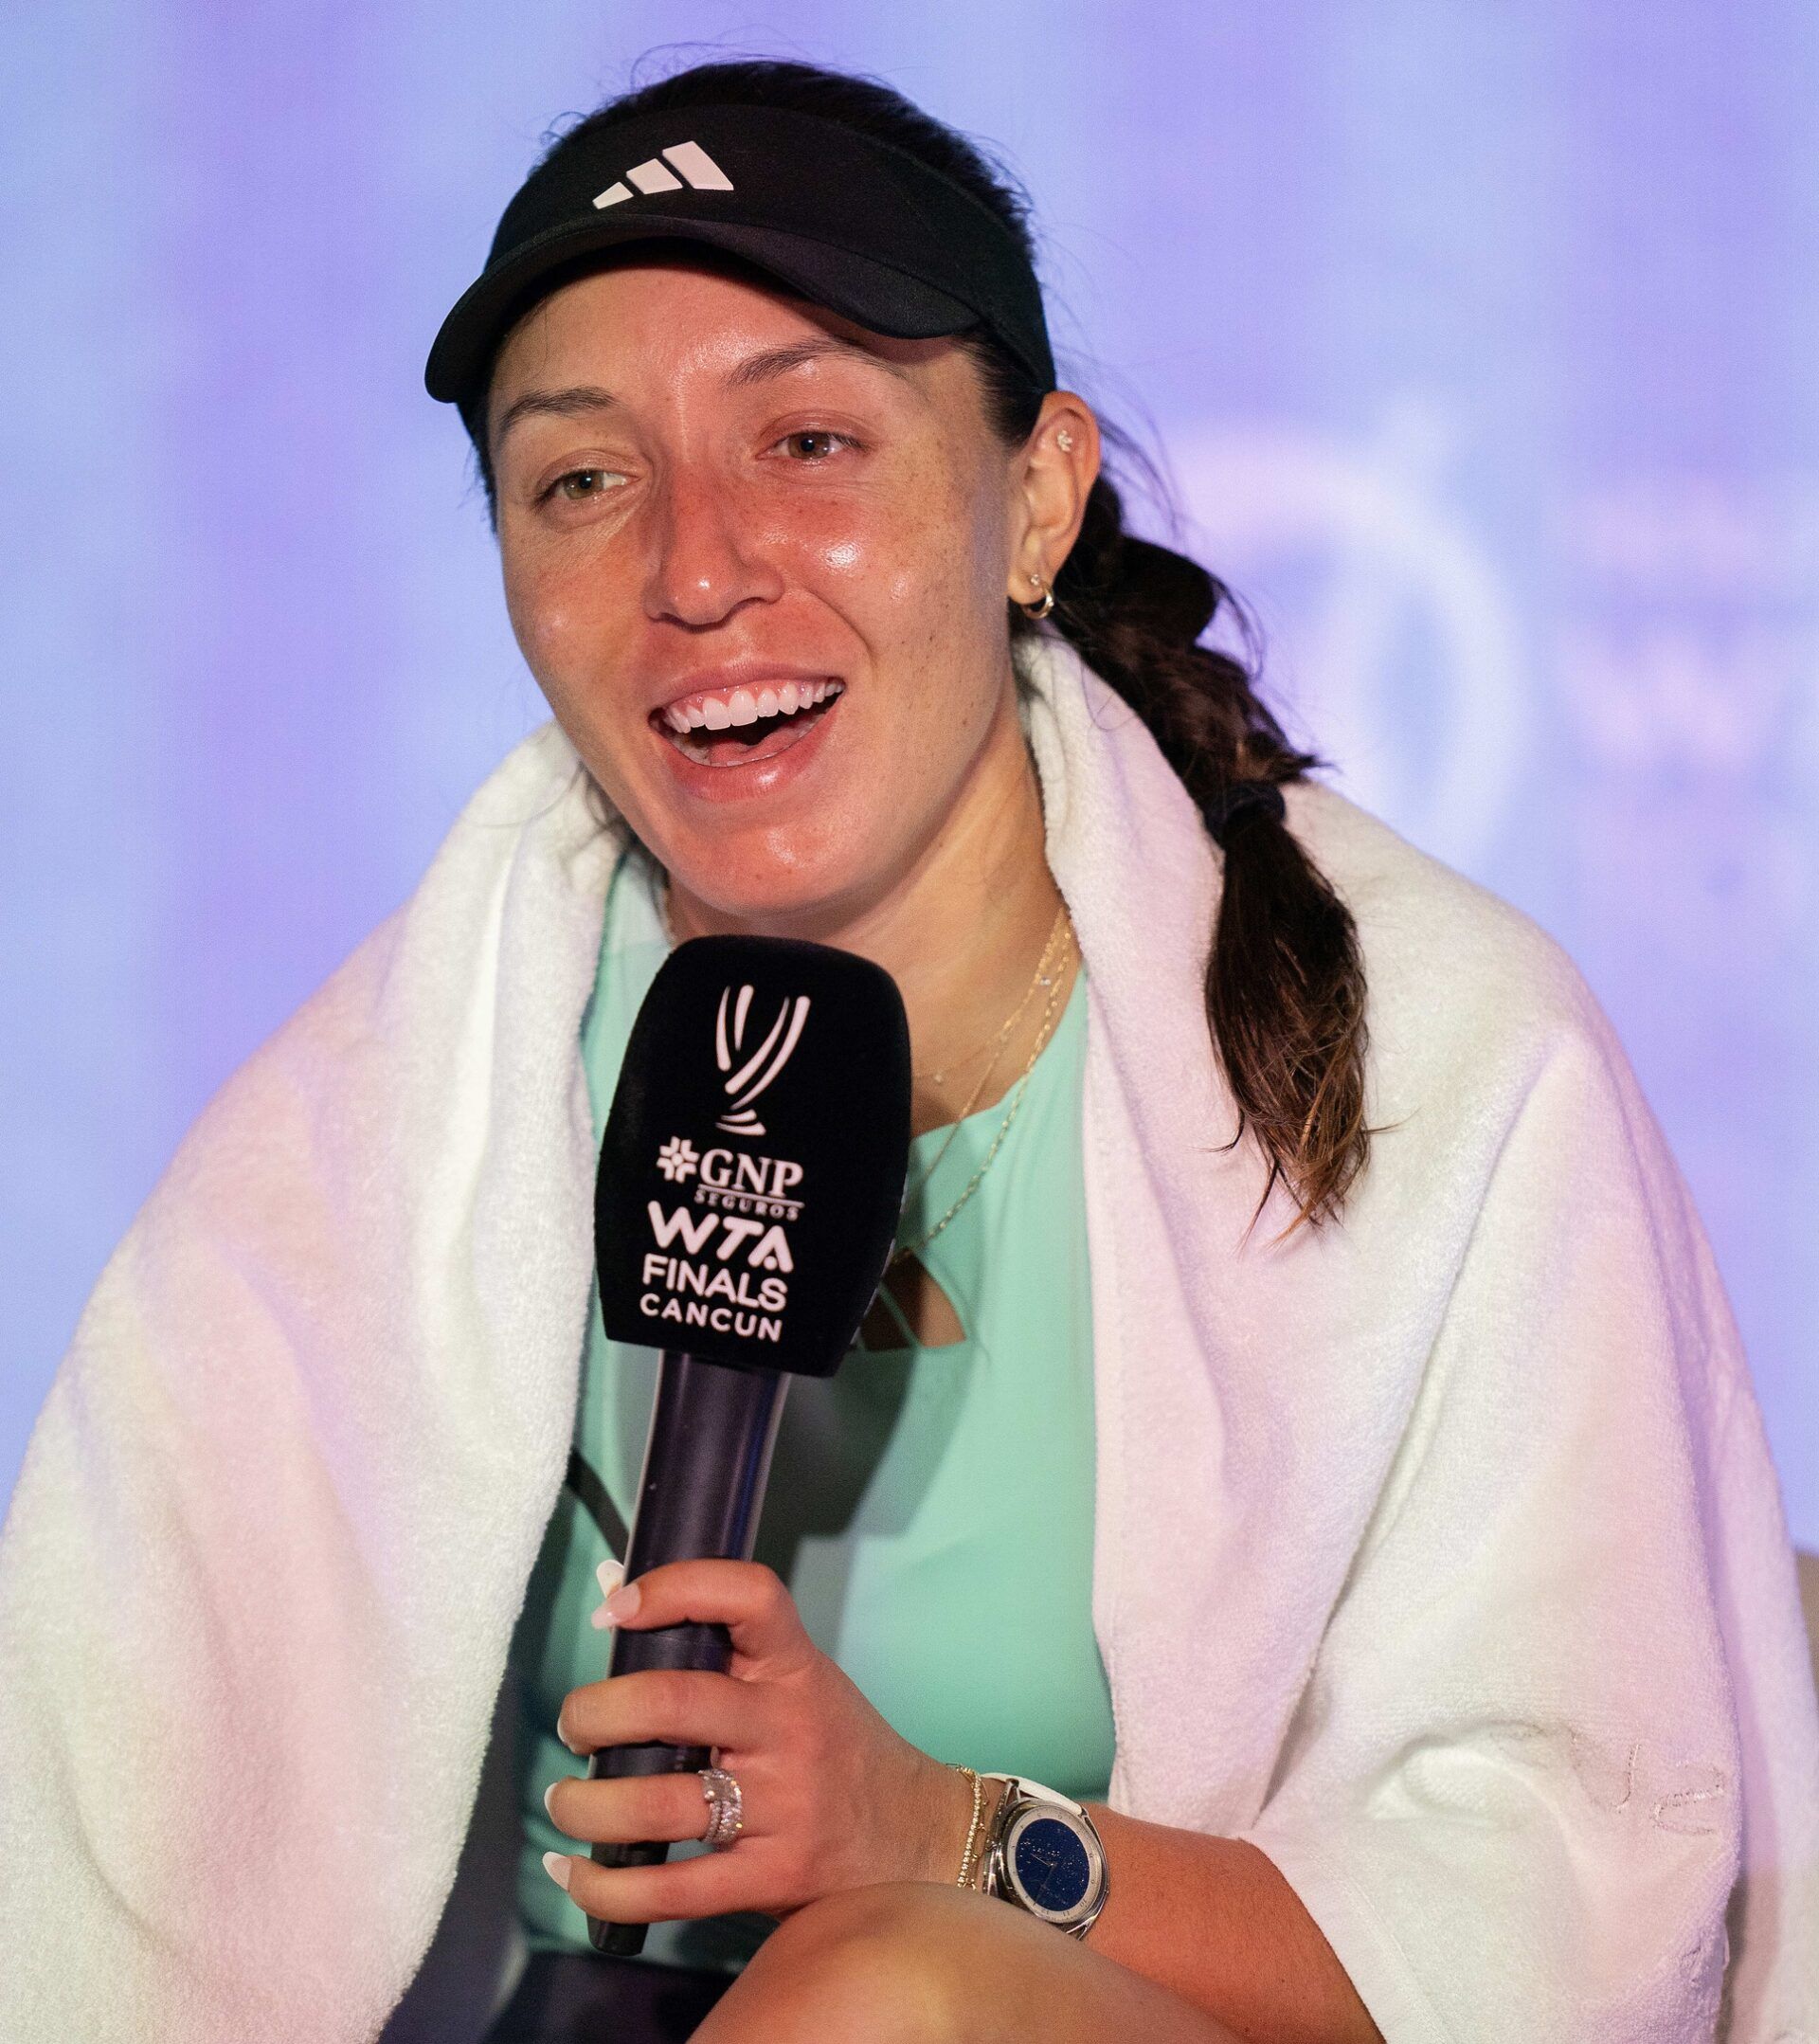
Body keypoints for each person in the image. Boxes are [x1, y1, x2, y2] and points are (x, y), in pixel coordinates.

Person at [1, 55, 1814, 2044]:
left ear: (1036, 494)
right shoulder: (350, 1146)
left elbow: (1571, 1931)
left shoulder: (1448, 1066)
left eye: (808, 440)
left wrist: (938, 1830)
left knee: (897, 1994)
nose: (696, 571)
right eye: (581, 480)